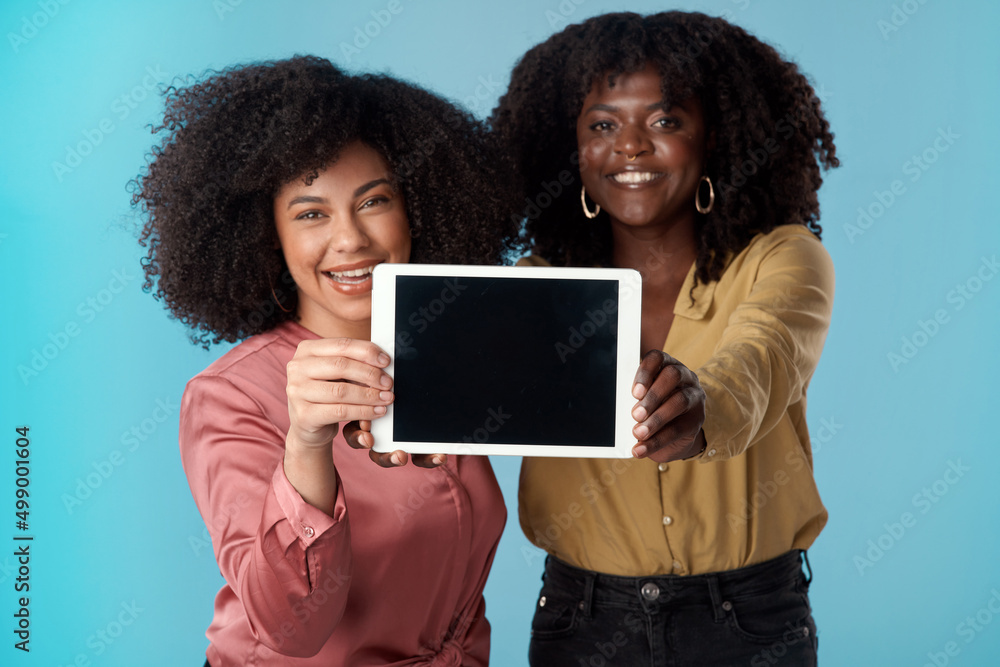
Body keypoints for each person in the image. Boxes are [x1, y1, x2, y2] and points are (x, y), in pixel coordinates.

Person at [131, 55, 520, 666]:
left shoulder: (448, 358)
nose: (350, 240)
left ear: (417, 208)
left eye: (374, 202)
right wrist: (307, 445)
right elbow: (290, 629)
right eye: (311, 213)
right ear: (268, 236)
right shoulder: (231, 396)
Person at [489, 11, 839, 666]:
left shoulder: (784, 259)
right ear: (571, 149)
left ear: (715, 137)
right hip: (582, 619)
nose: (630, 146)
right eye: (602, 125)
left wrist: (701, 409)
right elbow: (472, 400)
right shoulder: (535, 286)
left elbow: (762, 358)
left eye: (665, 121)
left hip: (751, 619)